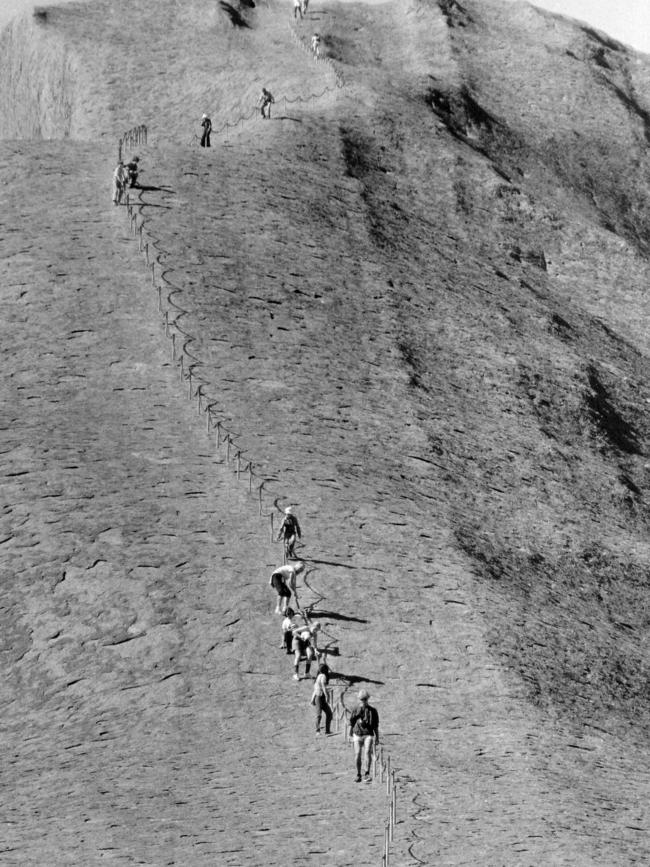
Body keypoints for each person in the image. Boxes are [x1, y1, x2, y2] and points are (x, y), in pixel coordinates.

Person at [349, 689, 379, 782]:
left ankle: (367, 773)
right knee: (357, 754)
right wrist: (350, 734)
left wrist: (377, 737)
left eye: (365, 699)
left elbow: (375, 725)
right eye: (362, 699)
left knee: (367, 752)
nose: (363, 701)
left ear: (367, 699)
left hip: (368, 734)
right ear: (359, 699)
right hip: (357, 734)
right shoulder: (355, 709)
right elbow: (351, 722)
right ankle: (358, 774)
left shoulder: (373, 711)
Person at [311, 662, 332, 734]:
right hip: (320, 697)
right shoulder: (323, 676)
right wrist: (327, 695)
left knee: (328, 714)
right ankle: (318, 731)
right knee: (319, 714)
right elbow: (323, 685)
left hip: (319, 696)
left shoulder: (319, 675)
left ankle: (327, 731)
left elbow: (319, 687)